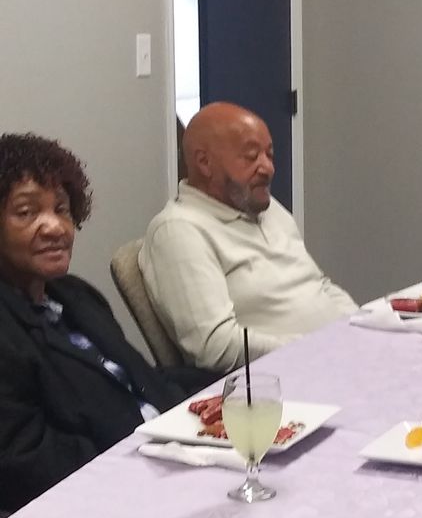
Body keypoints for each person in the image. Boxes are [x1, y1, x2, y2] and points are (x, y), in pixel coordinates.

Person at [0, 133, 200, 516]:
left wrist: (223, 389)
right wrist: (145, 458)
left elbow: (135, 379)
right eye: (26, 213)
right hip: (97, 502)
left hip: (167, 460)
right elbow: (23, 459)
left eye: (61, 208)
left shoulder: (74, 295)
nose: (55, 226)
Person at [140, 103, 357, 374]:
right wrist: (314, 349)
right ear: (204, 163)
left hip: (339, 356)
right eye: (251, 156)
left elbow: (319, 284)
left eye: (269, 154)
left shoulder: (263, 205)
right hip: (283, 381)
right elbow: (215, 347)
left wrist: (360, 326)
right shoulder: (179, 231)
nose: (268, 168)